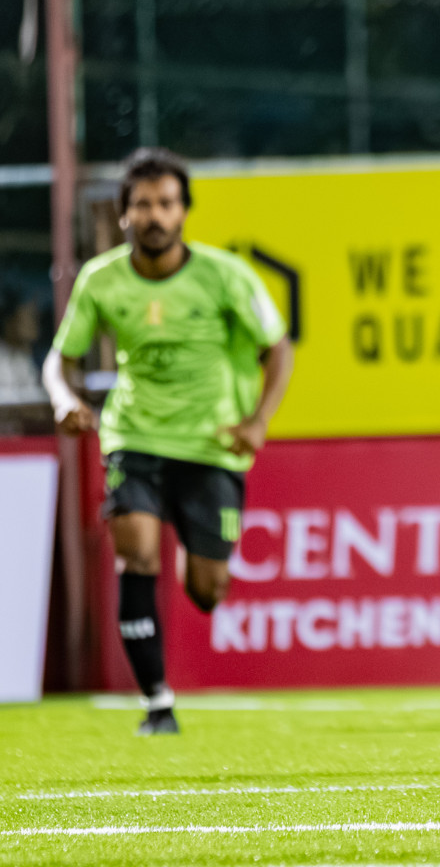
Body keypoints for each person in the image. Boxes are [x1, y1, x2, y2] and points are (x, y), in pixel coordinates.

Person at [42, 148, 294, 736]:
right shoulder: (101, 279)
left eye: (166, 204)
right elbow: (61, 359)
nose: (155, 215)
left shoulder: (225, 276)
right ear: (124, 214)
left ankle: (196, 558)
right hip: (134, 435)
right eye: (143, 205)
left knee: (208, 590)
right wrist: (62, 399)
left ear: (183, 213)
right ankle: (158, 703)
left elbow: (278, 346)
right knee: (136, 555)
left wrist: (257, 420)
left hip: (211, 445)